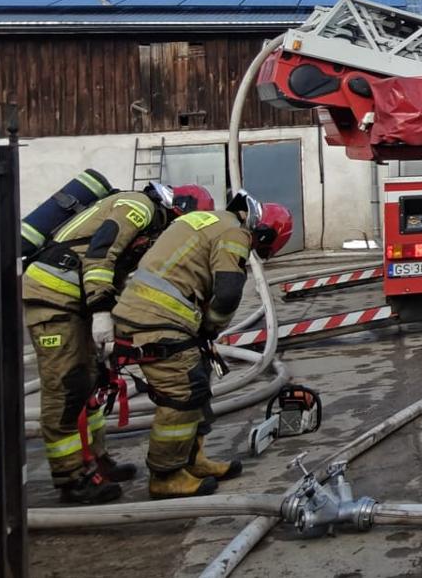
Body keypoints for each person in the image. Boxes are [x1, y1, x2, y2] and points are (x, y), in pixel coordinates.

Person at [23, 180, 214, 504]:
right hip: (53, 297)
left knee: (92, 382)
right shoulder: (137, 207)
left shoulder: (148, 222)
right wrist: (101, 312)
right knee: (67, 386)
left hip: (78, 299)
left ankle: (95, 458)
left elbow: (127, 274)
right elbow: (100, 257)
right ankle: (71, 478)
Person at [110, 189, 292, 499]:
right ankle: (165, 475)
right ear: (261, 232)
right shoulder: (235, 233)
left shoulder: (208, 221)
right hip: (157, 318)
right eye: (260, 247)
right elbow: (228, 293)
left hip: (152, 313)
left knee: (198, 379)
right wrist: (211, 327)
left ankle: (191, 460)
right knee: (182, 393)